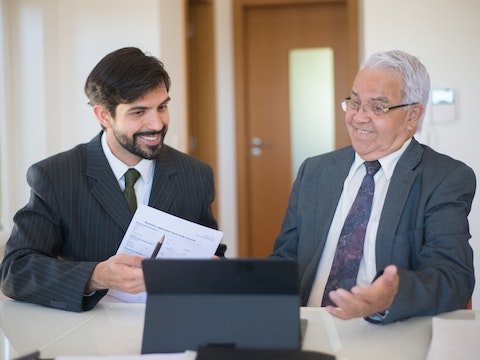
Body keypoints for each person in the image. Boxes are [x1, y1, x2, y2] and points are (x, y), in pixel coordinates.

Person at [0, 47, 225, 312]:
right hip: (86, 336)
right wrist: (96, 276)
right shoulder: (55, 176)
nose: (157, 124)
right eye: (138, 112)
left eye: (162, 107)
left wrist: (215, 269)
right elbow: (15, 271)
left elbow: (212, 253)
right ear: (104, 116)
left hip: (171, 324)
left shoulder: (196, 174)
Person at [269, 50, 476, 324]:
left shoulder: (444, 178)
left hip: (386, 327)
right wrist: (234, 280)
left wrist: (390, 297)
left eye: (377, 108)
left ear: (412, 115)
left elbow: (452, 275)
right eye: (354, 103)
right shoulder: (315, 171)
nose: (359, 117)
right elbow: (285, 259)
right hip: (308, 325)